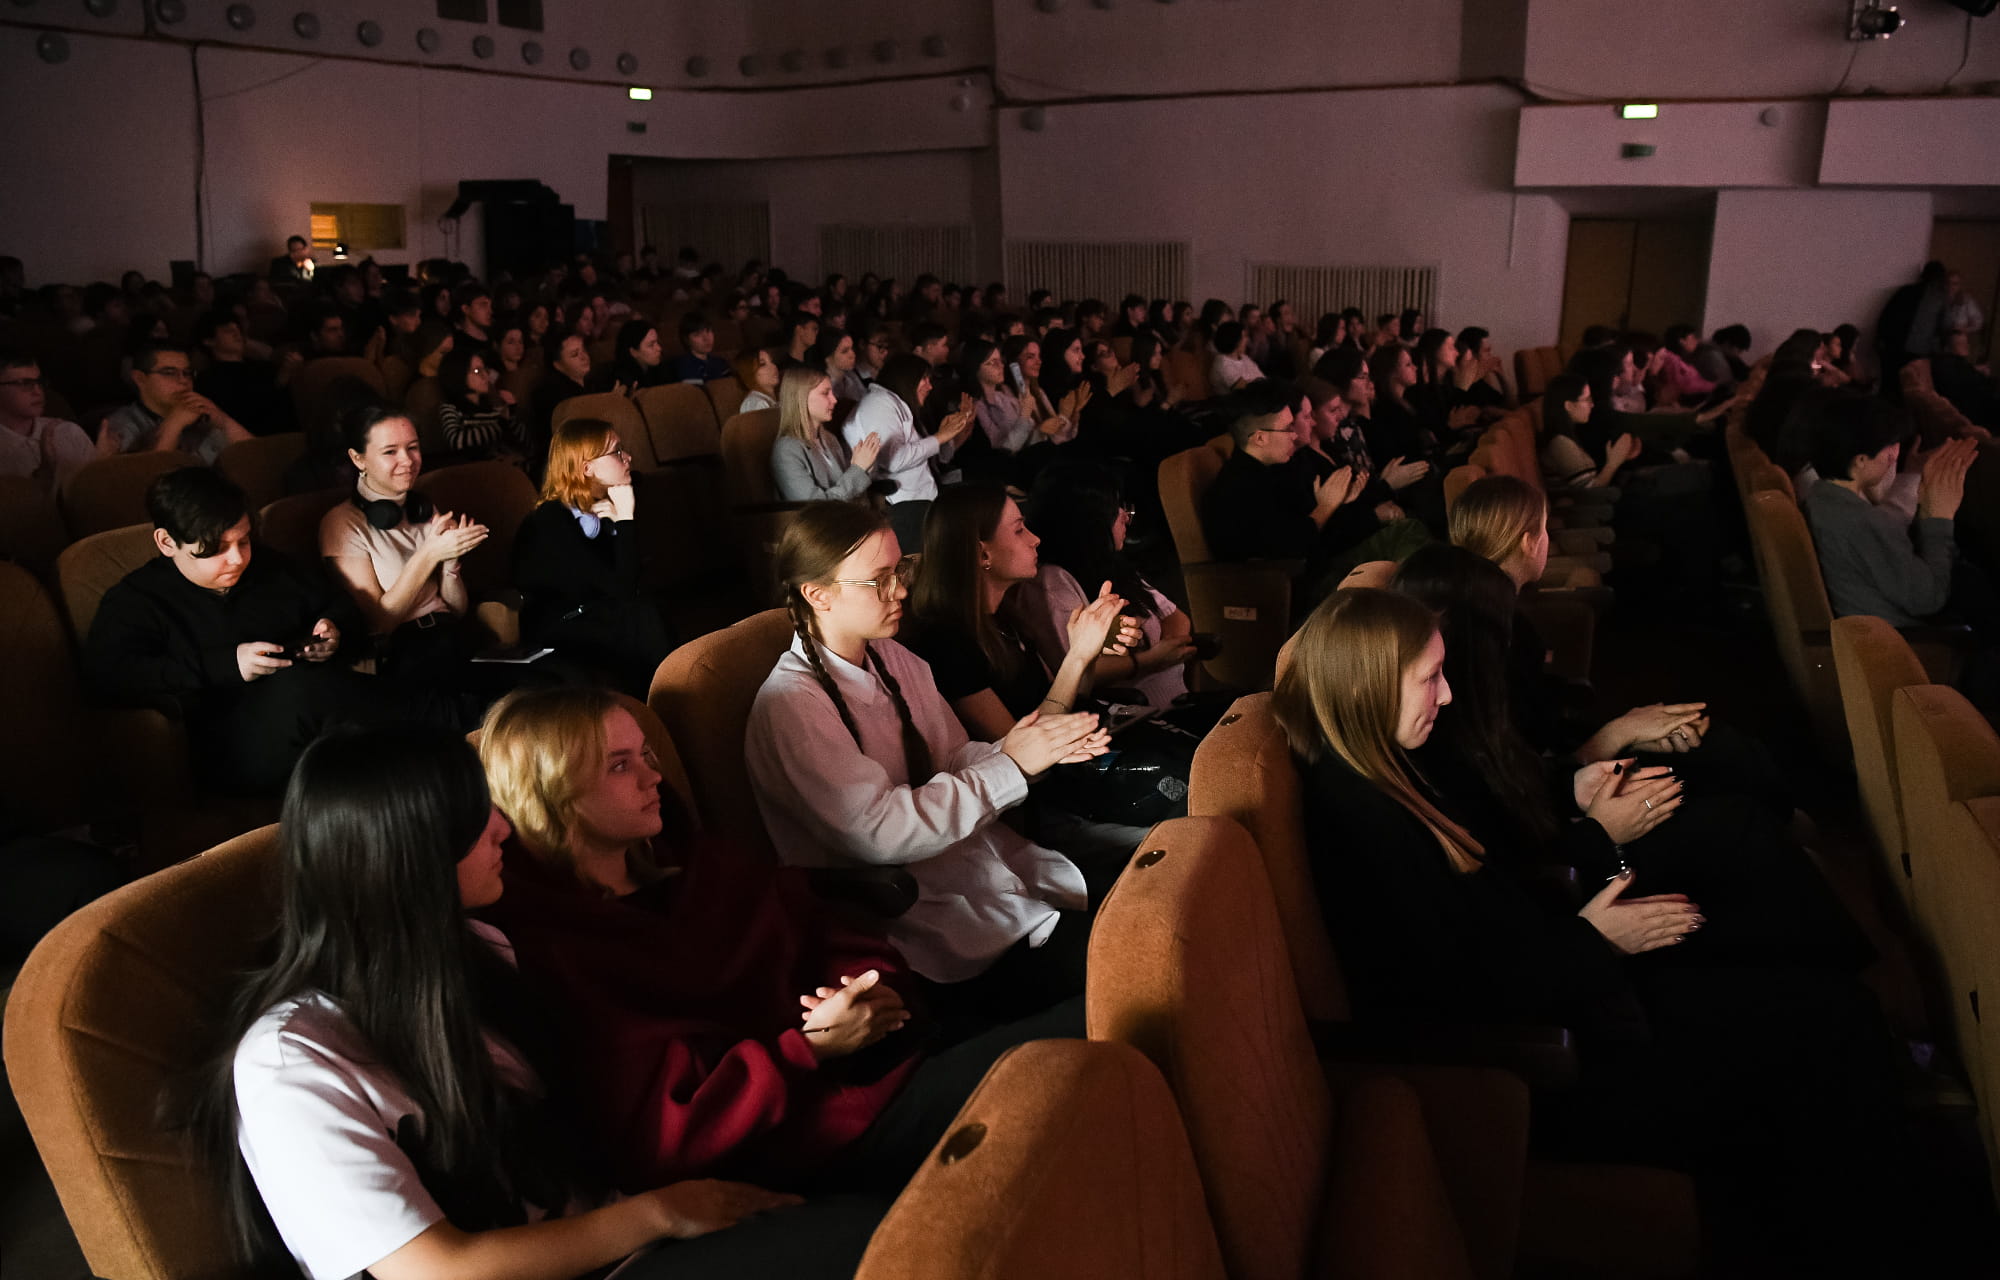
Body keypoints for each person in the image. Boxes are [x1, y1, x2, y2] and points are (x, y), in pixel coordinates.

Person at [1274, 586, 1901, 1269]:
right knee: (1829, 1026)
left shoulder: (1388, 772)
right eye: (1430, 679)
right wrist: (1597, 938)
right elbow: (1453, 996)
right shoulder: (1362, 822)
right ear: (1365, 689)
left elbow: (1493, 907)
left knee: (1818, 1002)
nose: (1448, 697)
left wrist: (1588, 886)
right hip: (1548, 1067)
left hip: (1578, 993)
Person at [188, 724, 881, 1280]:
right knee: (877, 1247)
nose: (503, 829)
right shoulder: (293, 1059)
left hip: (620, 1230)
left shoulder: (475, 954)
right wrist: (661, 1213)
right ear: (408, 855)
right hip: (613, 1244)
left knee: (893, 1213)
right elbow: (431, 1269)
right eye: (472, 818)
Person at [476, 686, 1080, 1198]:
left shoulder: (691, 860)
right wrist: (810, 1048)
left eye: (646, 755)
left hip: (884, 1055)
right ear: (554, 792)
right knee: (1085, 1041)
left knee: (1103, 1019)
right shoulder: (555, 945)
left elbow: (825, 930)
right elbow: (659, 1129)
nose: (654, 776)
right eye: (619, 765)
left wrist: (866, 990)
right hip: (809, 1134)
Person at [745, 501, 1110, 1013]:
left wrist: (1026, 749)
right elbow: (880, 832)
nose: (900, 590)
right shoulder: (793, 707)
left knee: (1154, 888)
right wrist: (1012, 766)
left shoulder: (893, 656)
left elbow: (954, 755)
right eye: (878, 580)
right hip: (914, 927)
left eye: (900, 570)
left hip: (979, 872)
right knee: (1127, 959)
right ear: (818, 595)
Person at [83, 468, 420, 795]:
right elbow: (110, 676)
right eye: (215, 549)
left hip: (320, 709)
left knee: (401, 673)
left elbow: (338, 605)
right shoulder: (135, 601)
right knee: (307, 692)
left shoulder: (266, 565)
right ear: (167, 542)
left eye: (242, 541)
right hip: (225, 743)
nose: (237, 559)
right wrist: (229, 664)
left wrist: (333, 631)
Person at [319, 400, 492, 689]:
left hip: (450, 636)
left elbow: (456, 609)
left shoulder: (422, 509)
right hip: (404, 653)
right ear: (358, 459)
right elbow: (378, 624)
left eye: (412, 447)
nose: (408, 460)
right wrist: (429, 554)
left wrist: (450, 564)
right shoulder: (342, 523)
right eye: (390, 452)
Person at [1015, 465, 1194, 712]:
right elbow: (1076, 672)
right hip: (1134, 716)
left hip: (1178, 699)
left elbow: (1175, 616)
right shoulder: (1051, 581)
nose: (1125, 515)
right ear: (1088, 520)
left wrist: (1166, 648)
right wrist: (1151, 659)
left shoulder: (1110, 563)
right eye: (1114, 508)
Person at [512, 420, 672, 697]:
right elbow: (621, 591)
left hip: (600, 615)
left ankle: (671, 699)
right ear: (586, 468)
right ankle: (669, 702)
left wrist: (620, 524)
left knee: (649, 613)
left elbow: (630, 584)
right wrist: (625, 519)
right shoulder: (551, 518)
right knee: (642, 619)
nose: (628, 458)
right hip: (560, 623)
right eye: (617, 451)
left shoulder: (603, 510)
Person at [1802, 396, 1988, 632]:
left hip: (1869, 629)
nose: (1893, 456)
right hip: (1904, 644)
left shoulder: (1820, 498)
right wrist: (1939, 519)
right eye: (1888, 447)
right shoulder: (1861, 522)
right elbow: (1927, 598)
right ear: (1860, 460)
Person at [1198, 382, 1369, 600]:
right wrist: (1325, 507)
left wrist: (1339, 503)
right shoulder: (1237, 489)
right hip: (1286, 594)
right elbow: (1292, 548)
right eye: (1287, 428)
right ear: (1260, 438)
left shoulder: (1273, 470)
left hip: (1320, 572)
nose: (1294, 435)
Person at [843, 353, 975, 550]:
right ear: (906, 378)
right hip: (903, 507)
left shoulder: (900, 405)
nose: (929, 386)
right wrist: (940, 437)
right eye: (924, 379)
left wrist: (959, 429)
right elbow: (893, 460)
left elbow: (939, 458)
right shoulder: (879, 403)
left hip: (925, 501)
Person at [98, 339, 254, 465]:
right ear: (140, 378)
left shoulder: (202, 414)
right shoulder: (123, 423)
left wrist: (223, 420)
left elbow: (257, 457)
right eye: (169, 373)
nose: (183, 381)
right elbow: (144, 480)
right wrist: (174, 424)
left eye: (187, 373)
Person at [771, 365, 880, 503]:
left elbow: (845, 489)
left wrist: (866, 467)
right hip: (820, 523)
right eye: (825, 393)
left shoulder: (829, 438)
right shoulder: (786, 450)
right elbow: (816, 506)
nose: (834, 400)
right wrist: (858, 469)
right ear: (801, 397)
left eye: (832, 393)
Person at [0, 348, 92, 494]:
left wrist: (102, 461)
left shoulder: (67, 432)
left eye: (39, 382)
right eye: (24, 383)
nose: (37, 391)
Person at [195, 311, 295, 436]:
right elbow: (243, 414)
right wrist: (280, 382)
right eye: (228, 331)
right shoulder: (208, 380)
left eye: (238, 329)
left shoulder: (265, 367)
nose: (237, 334)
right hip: (249, 444)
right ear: (209, 341)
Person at [1539, 373, 1637, 490]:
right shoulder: (1560, 443)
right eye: (1587, 399)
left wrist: (1620, 456)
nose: (1592, 404)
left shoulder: (1568, 436)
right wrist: (1613, 463)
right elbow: (1591, 491)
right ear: (1569, 406)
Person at [437, 346, 526, 463]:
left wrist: (511, 413)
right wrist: (501, 425)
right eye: (477, 371)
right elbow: (456, 441)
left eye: (485, 370)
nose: (485, 376)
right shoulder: (450, 408)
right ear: (459, 374)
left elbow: (526, 445)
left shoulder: (492, 408)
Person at [671, 311, 734, 385]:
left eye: (708, 331)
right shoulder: (684, 366)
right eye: (697, 334)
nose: (706, 338)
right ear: (686, 340)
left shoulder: (720, 362)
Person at [1207, 321, 1260, 396]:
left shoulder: (1244, 358)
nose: (1247, 339)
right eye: (1244, 336)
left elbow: (1262, 379)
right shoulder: (1222, 363)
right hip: (1237, 405)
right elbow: (1243, 391)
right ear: (1235, 340)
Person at [734, 346, 782, 413]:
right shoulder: (756, 404)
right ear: (749, 372)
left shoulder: (777, 400)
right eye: (762, 364)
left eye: (772, 361)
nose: (773, 366)